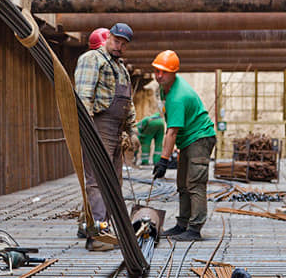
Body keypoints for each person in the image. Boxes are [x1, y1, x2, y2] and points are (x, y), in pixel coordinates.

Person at [73, 22, 137, 251]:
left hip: (116, 131)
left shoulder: (121, 68)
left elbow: (128, 104)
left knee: (113, 182)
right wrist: (89, 130)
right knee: (97, 181)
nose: (119, 46)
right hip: (98, 126)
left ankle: (107, 228)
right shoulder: (93, 59)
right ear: (109, 37)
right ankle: (97, 236)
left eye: (124, 44)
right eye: (117, 40)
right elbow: (83, 97)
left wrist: (133, 130)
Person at [151, 50, 217, 242]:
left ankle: (194, 228)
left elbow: (171, 132)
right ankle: (182, 224)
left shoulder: (177, 96)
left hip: (200, 138)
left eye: (164, 72)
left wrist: (163, 160)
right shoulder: (167, 88)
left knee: (195, 183)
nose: (159, 75)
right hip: (188, 139)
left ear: (174, 72)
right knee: (182, 184)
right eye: (157, 71)